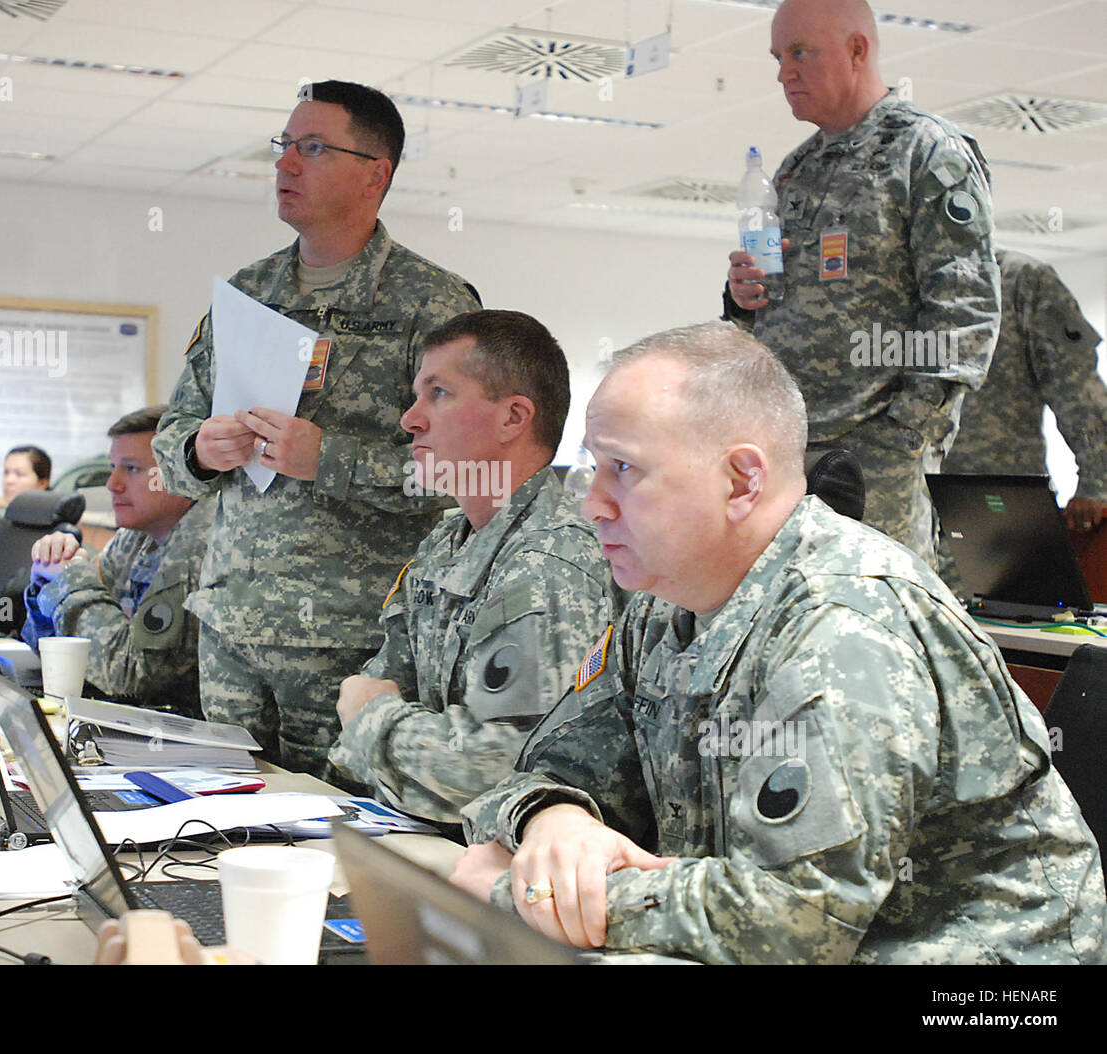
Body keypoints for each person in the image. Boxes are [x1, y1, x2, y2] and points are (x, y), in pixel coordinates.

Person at [452, 322, 1104, 964]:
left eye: (623, 469)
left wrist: (524, 890)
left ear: (741, 482)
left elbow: (791, 919)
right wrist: (552, 819)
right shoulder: (664, 603)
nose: (592, 504)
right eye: (595, 467)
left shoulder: (846, 621)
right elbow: (549, 768)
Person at [153, 81, 480, 774]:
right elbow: (173, 437)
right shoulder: (247, 292)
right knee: (212, 839)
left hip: (350, 642)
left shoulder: (432, 304)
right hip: (231, 626)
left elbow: (462, 473)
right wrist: (201, 450)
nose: (285, 164)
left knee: (332, 843)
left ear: (375, 173)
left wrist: (328, 458)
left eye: (311, 148)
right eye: (283, 146)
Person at [725, 0, 1000, 565]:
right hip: (789, 448)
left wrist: (905, 432)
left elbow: (966, 313)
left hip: (878, 453)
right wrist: (741, 298)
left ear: (857, 50)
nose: (784, 73)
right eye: (779, 57)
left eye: (800, 52)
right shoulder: (797, 169)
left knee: (871, 618)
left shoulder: (926, 151)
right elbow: (776, 307)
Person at [328, 310, 618, 830]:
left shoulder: (550, 562)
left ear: (513, 418)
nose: (410, 419)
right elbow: (373, 686)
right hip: (423, 839)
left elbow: (505, 772)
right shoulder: (448, 538)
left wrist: (375, 725)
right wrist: (383, 729)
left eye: (439, 393)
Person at [23, 407, 210, 717]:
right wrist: (49, 579)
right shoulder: (136, 537)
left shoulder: (200, 545)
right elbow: (54, 649)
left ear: (182, 473)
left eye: (132, 468)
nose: (112, 483)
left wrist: (71, 580)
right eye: (113, 467)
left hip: (182, 737)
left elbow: (130, 678)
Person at [945, 248, 1107, 534]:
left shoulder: (1019, 281)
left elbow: (1079, 394)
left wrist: (1097, 482)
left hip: (998, 508)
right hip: (905, 506)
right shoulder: (893, 284)